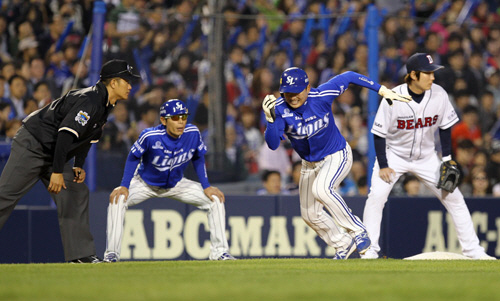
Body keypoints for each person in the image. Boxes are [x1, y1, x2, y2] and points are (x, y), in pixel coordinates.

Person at [261, 67, 412, 259]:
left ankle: (358, 230)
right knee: (309, 215)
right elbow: (273, 144)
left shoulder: (322, 94)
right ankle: (342, 244)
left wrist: (380, 89)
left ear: (307, 88)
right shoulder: (280, 109)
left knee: (322, 189)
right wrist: (271, 120)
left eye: (297, 91)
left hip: (336, 154)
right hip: (309, 164)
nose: (292, 97)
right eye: (287, 93)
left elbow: (349, 76)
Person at [0, 59, 140, 263]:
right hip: (33, 144)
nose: (130, 85)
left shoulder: (105, 104)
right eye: (126, 81)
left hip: (54, 151)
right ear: (113, 83)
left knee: (76, 192)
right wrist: (57, 172)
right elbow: (65, 134)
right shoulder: (90, 100)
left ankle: (80, 255)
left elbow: (87, 138)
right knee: (5, 195)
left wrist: (77, 165)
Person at [362, 53, 495, 260]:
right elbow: (379, 134)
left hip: (426, 157)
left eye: (433, 73)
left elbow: (445, 127)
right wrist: (384, 165)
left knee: (455, 198)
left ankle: (473, 250)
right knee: (377, 196)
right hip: (394, 156)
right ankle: (369, 249)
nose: (432, 77)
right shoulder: (392, 97)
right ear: (414, 75)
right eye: (428, 73)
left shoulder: (439, 94)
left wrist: (447, 158)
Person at [103, 99, 235, 262]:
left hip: (177, 184)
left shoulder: (192, 133)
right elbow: (133, 157)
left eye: (183, 117)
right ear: (164, 120)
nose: (180, 122)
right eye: (175, 118)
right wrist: (124, 185)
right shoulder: (150, 136)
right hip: (145, 184)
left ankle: (220, 252)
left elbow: (198, 158)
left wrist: (206, 186)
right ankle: (112, 254)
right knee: (118, 199)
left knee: (215, 199)